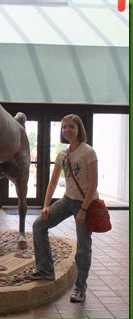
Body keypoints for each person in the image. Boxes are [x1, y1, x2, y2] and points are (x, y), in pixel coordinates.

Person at [28, 114, 98, 303]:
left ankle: (80, 288)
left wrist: (83, 210)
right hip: (67, 200)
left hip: (85, 203)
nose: (67, 130)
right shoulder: (62, 154)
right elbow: (52, 182)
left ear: (79, 129)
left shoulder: (88, 152)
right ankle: (45, 269)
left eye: (71, 127)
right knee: (38, 225)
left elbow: (93, 184)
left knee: (83, 246)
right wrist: (45, 206)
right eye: (64, 127)